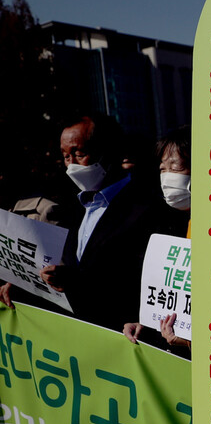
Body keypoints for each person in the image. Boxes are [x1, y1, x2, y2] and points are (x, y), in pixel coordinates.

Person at [40, 114, 183, 330]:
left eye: (79, 154)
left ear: (110, 151)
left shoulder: (148, 207)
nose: (71, 165)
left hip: (122, 336)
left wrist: (74, 282)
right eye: (65, 156)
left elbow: (143, 283)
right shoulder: (75, 205)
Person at [123, 126, 192, 355]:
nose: (167, 176)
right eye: (163, 168)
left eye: (175, 166)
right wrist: (148, 322)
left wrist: (190, 342)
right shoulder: (180, 224)